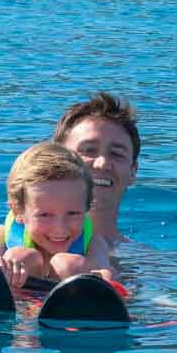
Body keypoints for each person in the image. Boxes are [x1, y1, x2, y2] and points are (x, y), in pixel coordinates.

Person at [0, 142, 114, 289]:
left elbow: (105, 273)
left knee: (69, 264)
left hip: (69, 301)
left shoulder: (94, 244)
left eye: (73, 213)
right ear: (18, 212)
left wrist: (101, 276)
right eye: (45, 215)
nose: (60, 229)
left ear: (86, 208)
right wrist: (0, 266)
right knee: (19, 257)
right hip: (18, 302)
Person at [52, 92, 139, 249]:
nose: (102, 163)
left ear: (133, 171)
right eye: (88, 150)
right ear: (57, 159)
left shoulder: (148, 266)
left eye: (116, 154)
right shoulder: (8, 249)